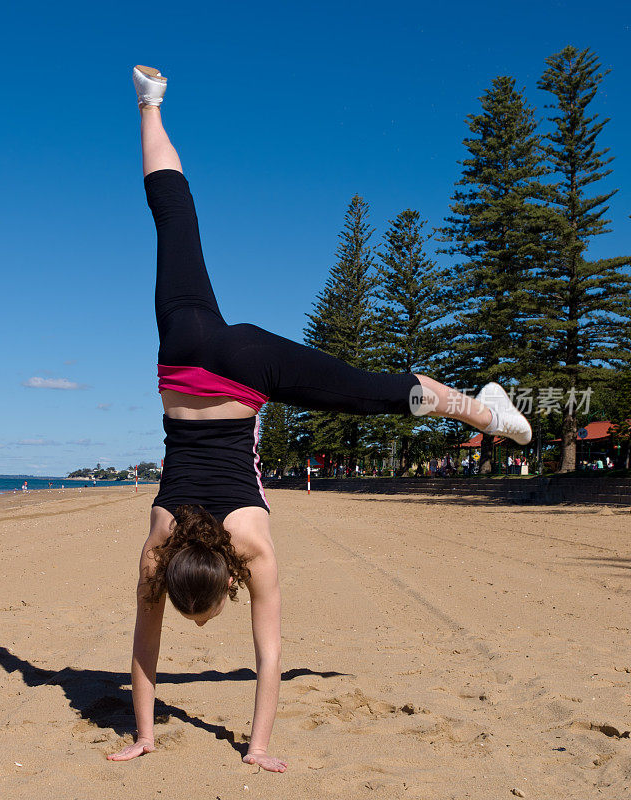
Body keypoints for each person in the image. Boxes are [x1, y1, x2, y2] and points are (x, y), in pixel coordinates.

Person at [107, 65, 533, 773]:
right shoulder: (159, 541)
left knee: (373, 393)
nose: (202, 626)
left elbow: (264, 654)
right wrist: (157, 734)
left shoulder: (251, 541)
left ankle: (486, 411)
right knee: (173, 222)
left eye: (202, 615)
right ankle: (149, 104)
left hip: (241, 371)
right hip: (183, 358)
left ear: (226, 578)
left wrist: (255, 747)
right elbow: (148, 648)